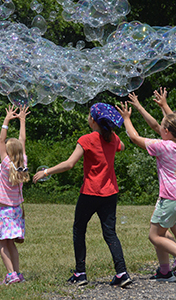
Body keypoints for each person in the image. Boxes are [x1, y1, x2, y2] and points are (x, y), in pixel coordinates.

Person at [33, 103, 133, 288]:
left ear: (93, 120)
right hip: (110, 193)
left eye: (89, 115)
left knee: (79, 230)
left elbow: (70, 164)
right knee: (110, 233)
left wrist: (46, 172)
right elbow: (123, 147)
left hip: (90, 193)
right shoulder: (113, 138)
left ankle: (80, 273)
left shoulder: (87, 139)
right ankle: (122, 272)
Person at [116, 100, 176, 283]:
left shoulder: (163, 147)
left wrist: (126, 119)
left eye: (161, 126)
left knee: (154, 236)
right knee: (163, 232)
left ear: (167, 132)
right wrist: (162, 105)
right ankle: (164, 271)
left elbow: (135, 138)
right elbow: (173, 123)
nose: (158, 126)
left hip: (171, 200)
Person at [0, 105, 30, 285]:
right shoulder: (21, 163)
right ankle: (17, 273)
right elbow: (22, 140)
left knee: (2, 243)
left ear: (8, 152)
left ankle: (10, 274)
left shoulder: (6, 165)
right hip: (16, 211)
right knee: (11, 244)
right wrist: (22, 120)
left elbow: (1, 140)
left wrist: (7, 119)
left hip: (4, 211)